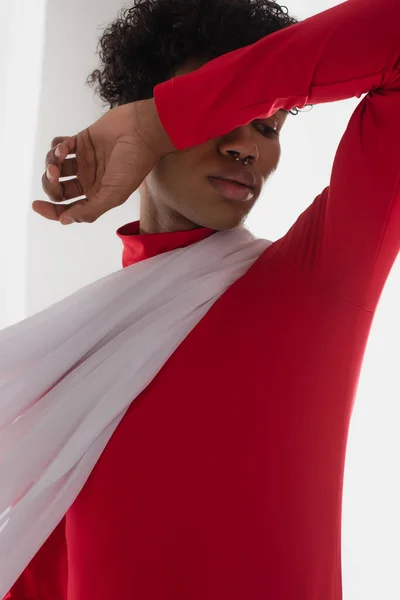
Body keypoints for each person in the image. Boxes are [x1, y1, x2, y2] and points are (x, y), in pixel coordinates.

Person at [5, 0, 400, 598]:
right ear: (129, 112)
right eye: (224, 118)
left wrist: (167, 121)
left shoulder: (316, 283)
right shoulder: (73, 362)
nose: (247, 148)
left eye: (267, 125)